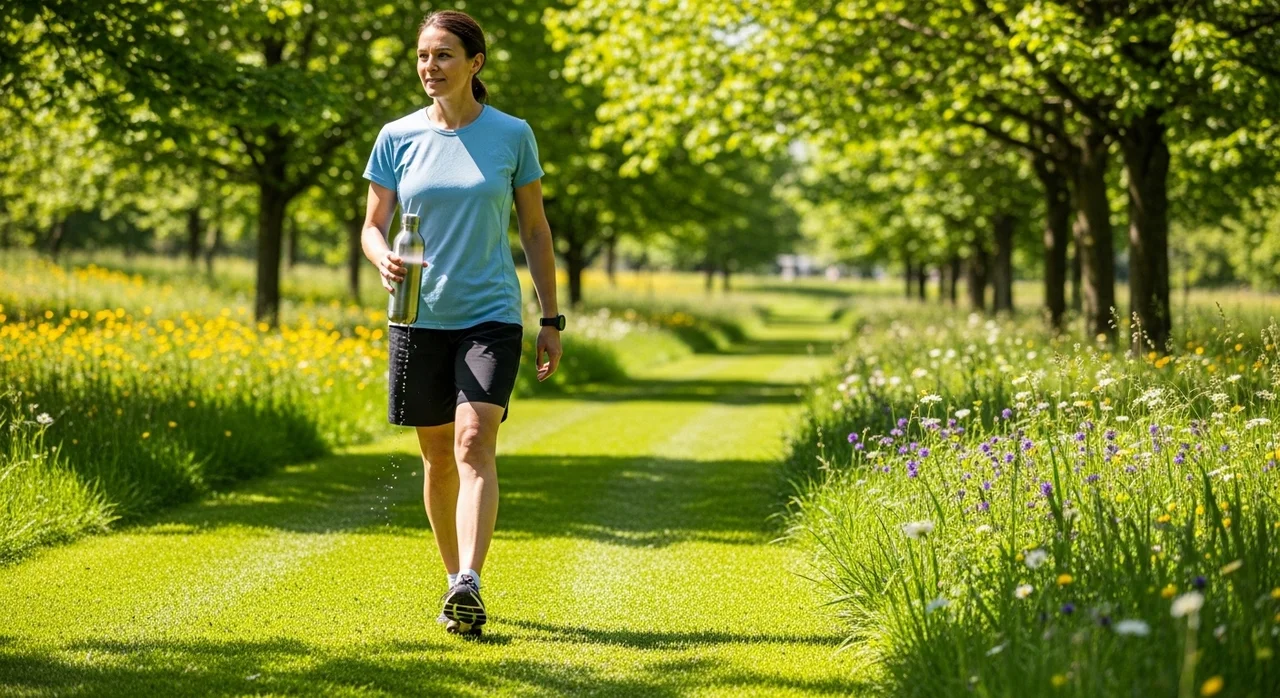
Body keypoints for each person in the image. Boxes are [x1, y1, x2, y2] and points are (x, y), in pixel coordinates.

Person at [360, 9, 564, 636]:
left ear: (474, 64)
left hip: (491, 314)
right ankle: (456, 585)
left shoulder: (512, 134)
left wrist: (550, 317)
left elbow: (534, 228)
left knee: (473, 441)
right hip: (417, 315)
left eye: (444, 55)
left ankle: (471, 578)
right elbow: (372, 226)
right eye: (423, 56)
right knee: (435, 456)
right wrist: (382, 257)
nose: (430, 67)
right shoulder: (397, 136)